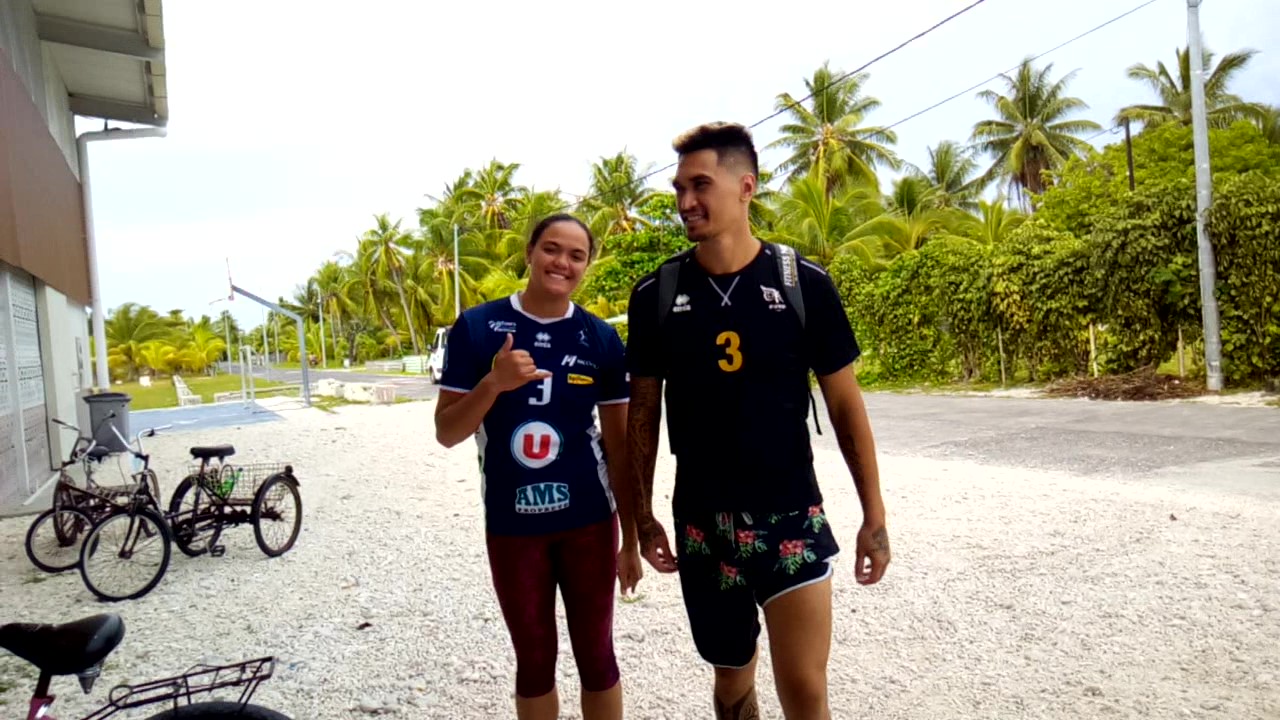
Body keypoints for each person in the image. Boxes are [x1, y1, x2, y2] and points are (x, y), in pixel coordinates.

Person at [622, 122, 891, 720]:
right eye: (678, 188)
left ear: (746, 187)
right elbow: (642, 416)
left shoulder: (804, 285)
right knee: (732, 684)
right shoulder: (656, 294)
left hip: (789, 513)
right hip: (701, 526)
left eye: (700, 184)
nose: (686, 201)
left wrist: (873, 515)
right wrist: (640, 516)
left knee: (804, 689)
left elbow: (847, 405)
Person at [434, 213, 642, 720]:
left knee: (597, 656)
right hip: (512, 525)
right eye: (552, 248)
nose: (562, 262)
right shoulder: (478, 328)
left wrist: (631, 540)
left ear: (587, 266)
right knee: (533, 660)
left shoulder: (600, 339)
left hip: (590, 523)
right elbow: (447, 432)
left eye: (577, 255)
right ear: (529, 252)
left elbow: (619, 445)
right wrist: (493, 383)